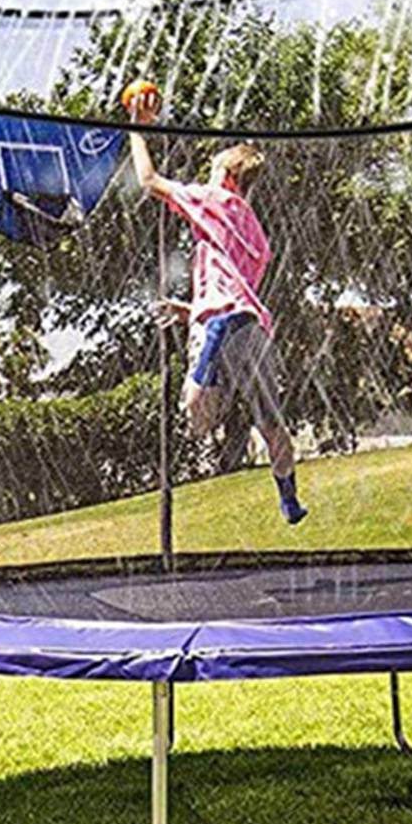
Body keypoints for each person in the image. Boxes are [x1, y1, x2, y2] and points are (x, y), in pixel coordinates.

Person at [122, 79, 306, 525]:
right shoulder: (257, 234)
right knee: (271, 423)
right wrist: (190, 309)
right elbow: (236, 290)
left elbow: (148, 181)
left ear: (227, 176)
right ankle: (289, 499)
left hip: (221, 325)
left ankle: (206, 367)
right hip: (251, 328)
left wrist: (136, 127)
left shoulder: (212, 198)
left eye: (212, 168)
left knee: (196, 416)